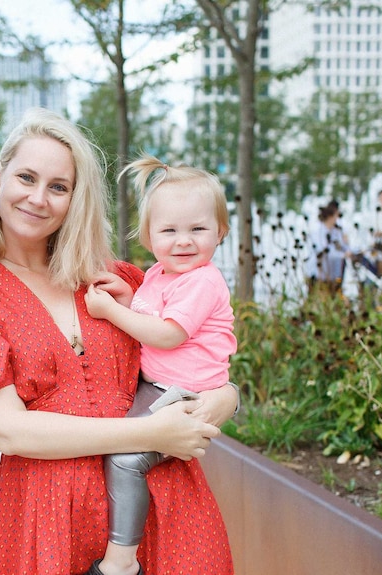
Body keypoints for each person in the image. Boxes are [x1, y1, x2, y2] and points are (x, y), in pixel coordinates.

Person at [0, 108, 237, 575]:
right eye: (26, 177)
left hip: (164, 508)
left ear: (75, 198)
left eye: (58, 187)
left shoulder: (117, 279)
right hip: (48, 517)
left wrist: (226, 396)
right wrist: (149, 433)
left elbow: (191, 360)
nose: (38, 198)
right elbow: (10, 431)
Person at [83, 155, 238, 575]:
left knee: (125, 458)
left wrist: (110, 313)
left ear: (220, 232)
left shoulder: (202, 279)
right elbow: (153, 314)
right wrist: (127, 299)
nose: (183, 241)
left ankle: (120, 560)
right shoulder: (159, 275)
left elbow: (169, 334)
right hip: (160, 386)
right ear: (149, 238)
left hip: (181, 394)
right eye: (169, 230)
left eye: (197, 229)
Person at [306, 200, 351, 295]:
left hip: (334, 273)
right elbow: (323, 250)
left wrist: (346, 245)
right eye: (335, 216)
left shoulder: (337, 231)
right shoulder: (318, 231)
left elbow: (343, 247)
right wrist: (342, 254)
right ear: (330, 216)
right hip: (319, 272)